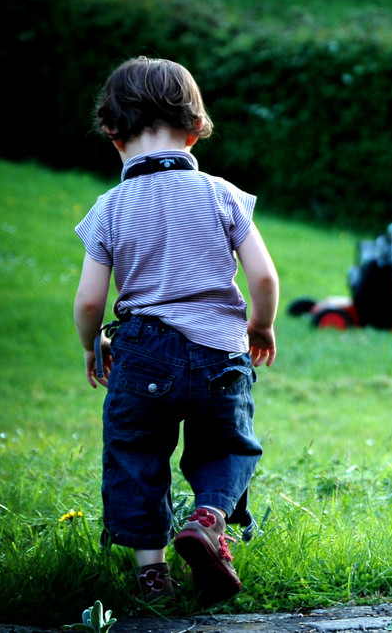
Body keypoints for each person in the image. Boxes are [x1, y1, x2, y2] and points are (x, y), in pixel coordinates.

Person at [74, 56, 279, 603]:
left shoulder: (110, 207)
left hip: (143, 352)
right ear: (194, 131)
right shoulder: (221, 193)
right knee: (227, 446)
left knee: (136, 453)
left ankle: (153, 574)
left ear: (114, 135)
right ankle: (209, 520)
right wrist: (260, 324)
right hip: (221, 351)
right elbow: (262, 274)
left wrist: (95, 345)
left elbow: (92, 298)